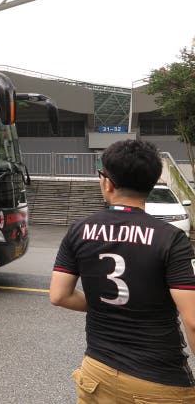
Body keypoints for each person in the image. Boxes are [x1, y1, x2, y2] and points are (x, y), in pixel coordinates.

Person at [49, 139, 195, 402]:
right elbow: (192, 320)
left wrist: (104, 304)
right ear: (152, 182)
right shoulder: (170, 238)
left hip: (96, 373)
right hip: (159, 381)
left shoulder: (79, 230)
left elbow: (59, 295)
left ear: (108, 183)